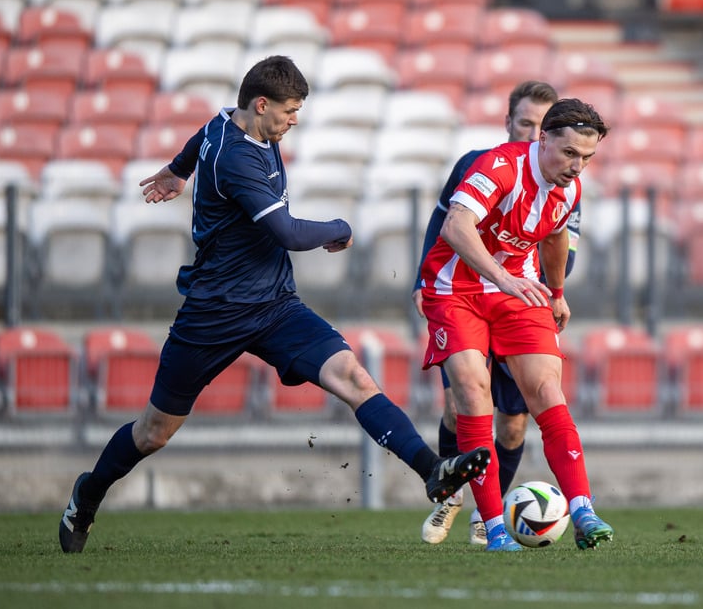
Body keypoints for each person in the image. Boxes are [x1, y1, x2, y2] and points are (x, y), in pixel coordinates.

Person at [58, 56, 490, 553]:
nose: (294, 121)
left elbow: (202, 135)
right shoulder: (238, 158)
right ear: (261, 105)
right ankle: (87, 495)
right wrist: (340, 228)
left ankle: (432, 470)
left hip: (275, 306)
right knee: (154, 432)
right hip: (215, 313)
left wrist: (178, 172)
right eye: (289, 111)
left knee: (354, 377)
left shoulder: (232, 123)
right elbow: (284, 231)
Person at [418, 97, 613, 552]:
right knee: (471, 391)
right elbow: (455, 227)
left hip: (517, 290)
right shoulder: (498, 167)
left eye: (587, 158)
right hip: (455, 289)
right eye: (569, 154)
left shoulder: (570, 188)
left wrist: (559, 292)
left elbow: (555, 233)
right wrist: (503, 276)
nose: (576, 166)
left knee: (546, 392)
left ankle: (583, 510)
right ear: (542, 138)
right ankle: (494, 528)